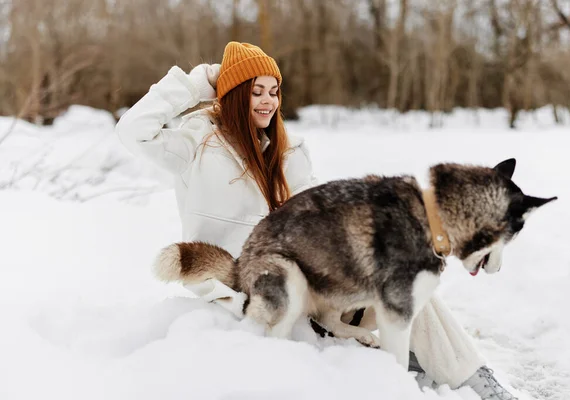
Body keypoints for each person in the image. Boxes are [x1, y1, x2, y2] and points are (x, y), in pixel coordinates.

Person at [116, 41, 518, 400]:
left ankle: (472, 376)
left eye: (274, 91)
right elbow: (132, 131)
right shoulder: (195, 143)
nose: (267, 101)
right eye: (255, 91)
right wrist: (202, 80)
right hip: (249, 287)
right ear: (233, 94)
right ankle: (414, 357)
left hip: (313, 281)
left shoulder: (290, 152)